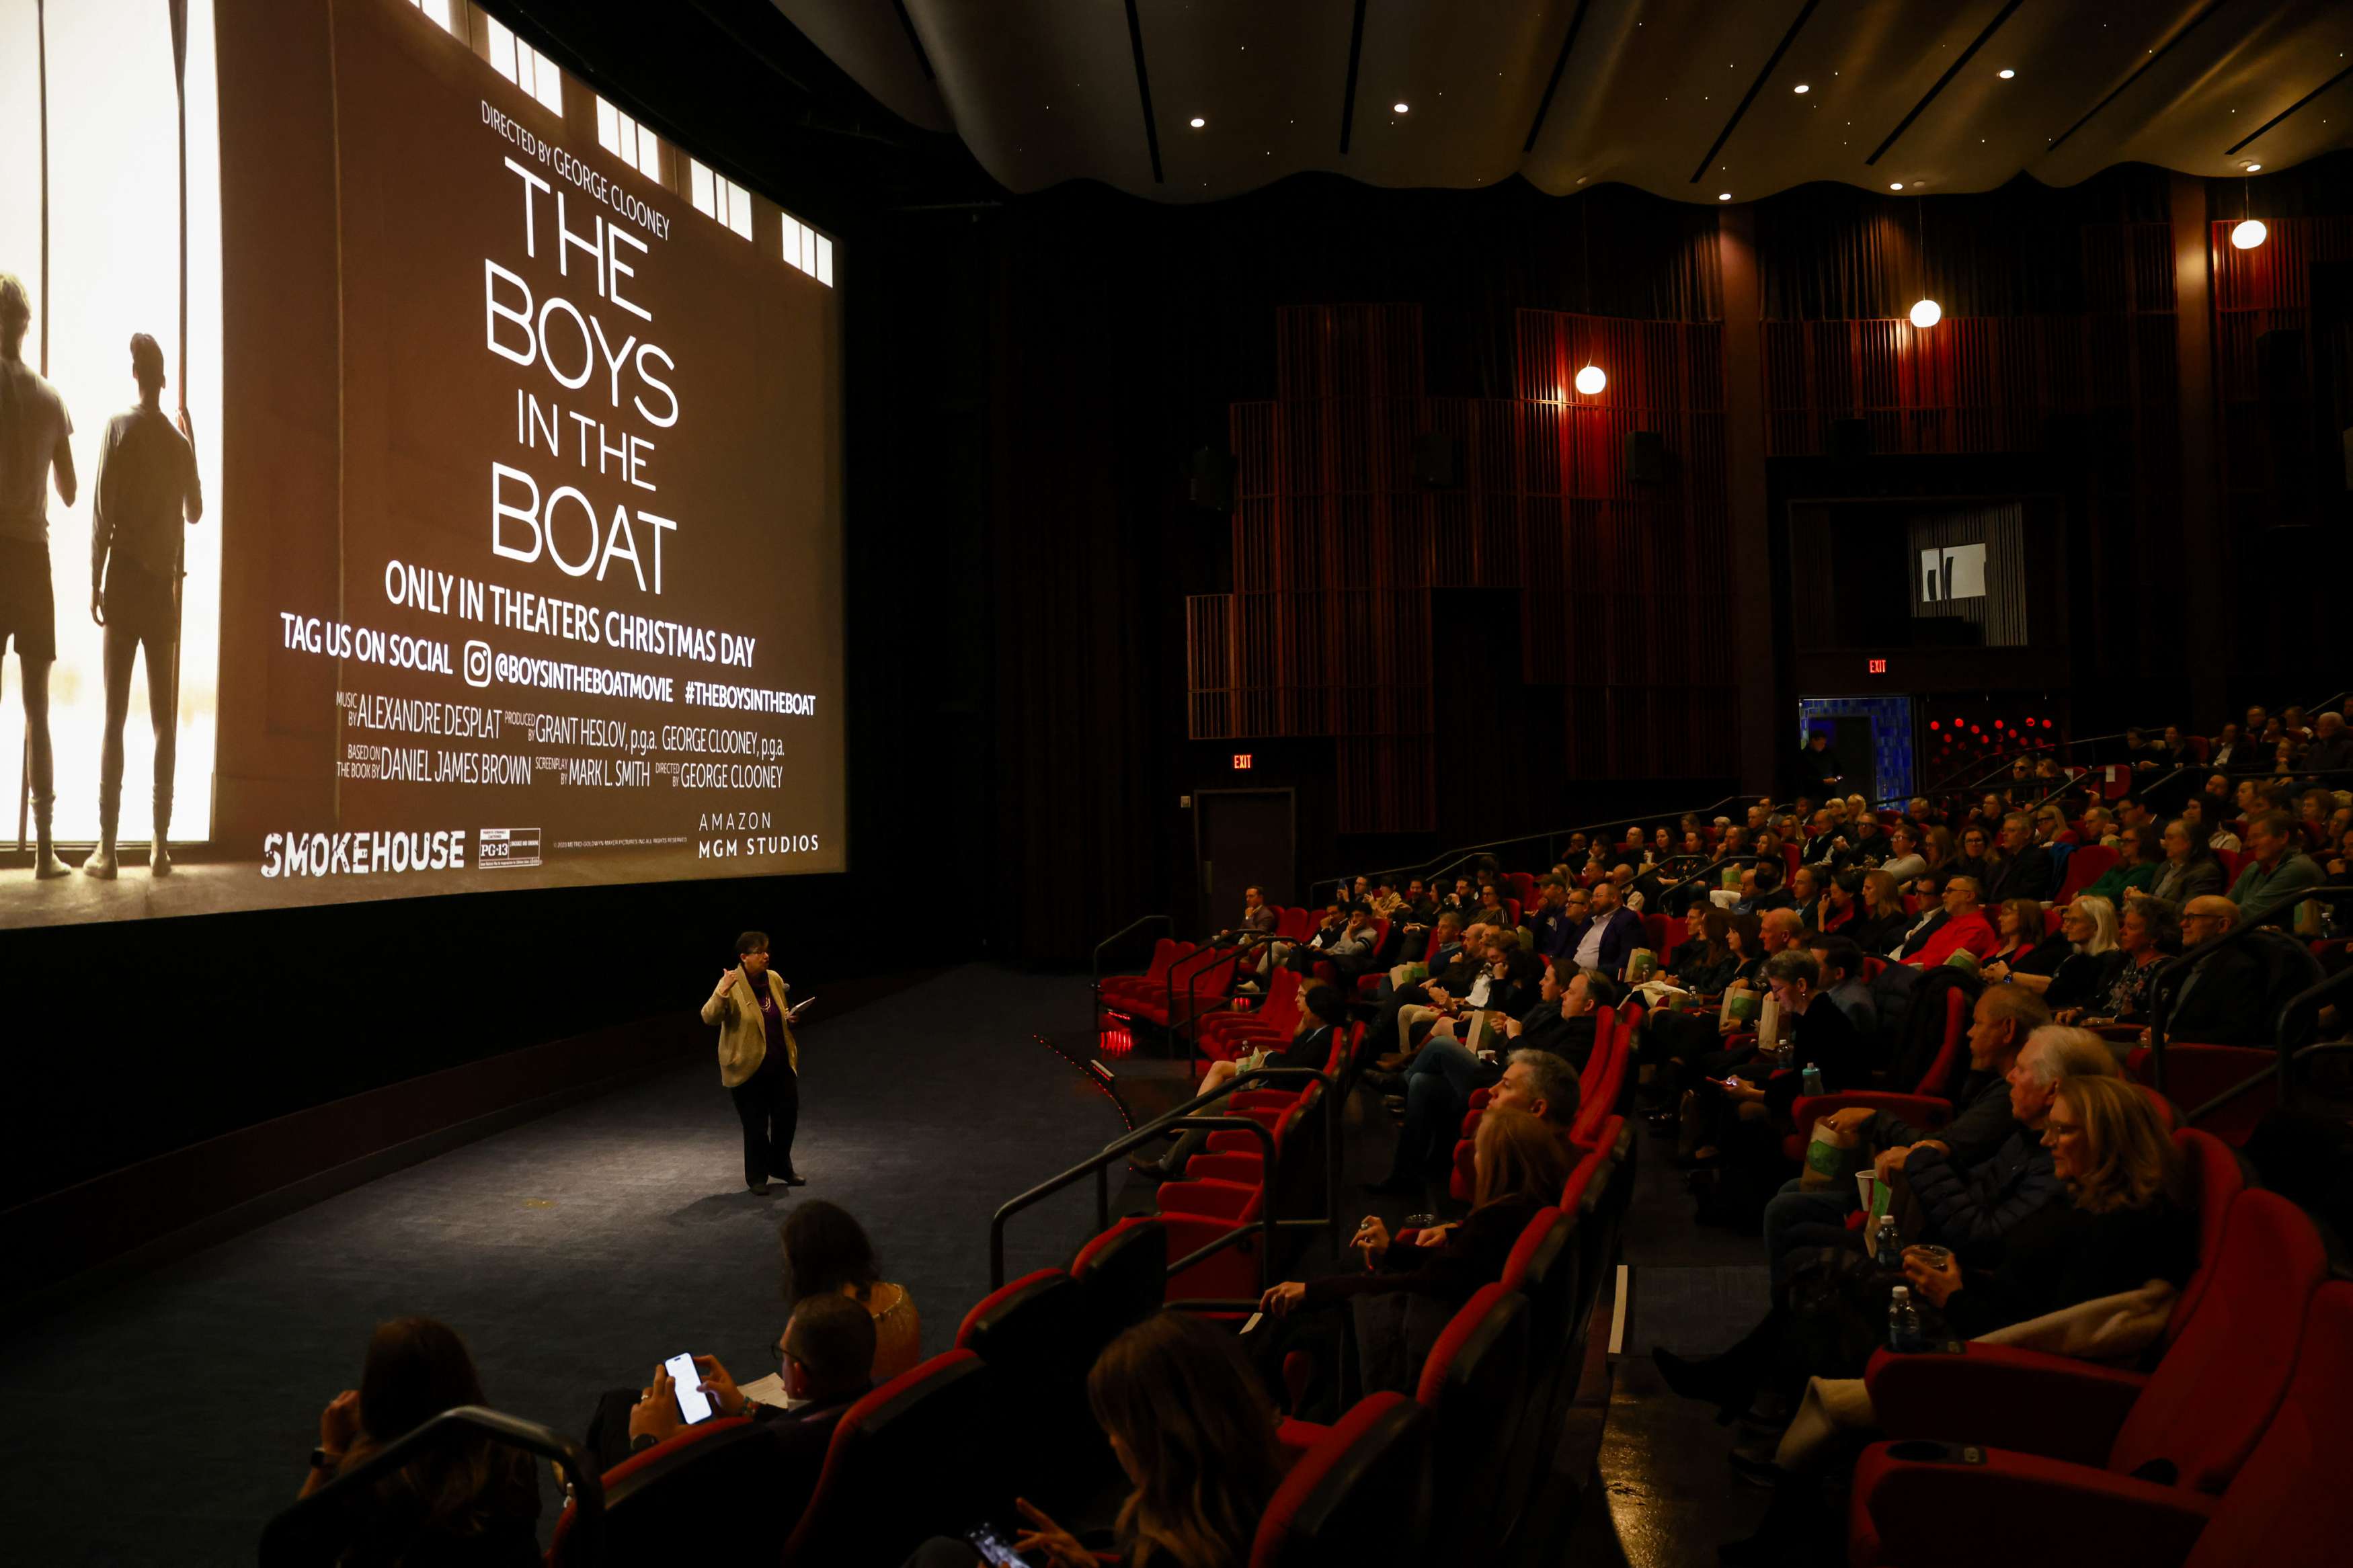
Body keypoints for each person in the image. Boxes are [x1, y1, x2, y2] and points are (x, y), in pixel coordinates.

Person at [955, 1312, 1285, 1568]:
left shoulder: (1170, 1553)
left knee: (939, 1553)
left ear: (1159, 1440)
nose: (1113, 1443)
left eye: (1117, 1428)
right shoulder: (1254, 1493)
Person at [1901, 1074, 2192, 1337]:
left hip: (1980, 1359)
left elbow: (2040, 1337)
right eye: (2050, 1127)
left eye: (2063, 1130)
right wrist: (1958, 1278)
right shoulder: (2083, 1195)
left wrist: (1953, 1299)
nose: (2047, 1140)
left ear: (2109, 1140)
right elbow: (2020, 1286)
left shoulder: (2119, 1228)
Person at [82, 333, 203, 878]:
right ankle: (159, 844)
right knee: (163, 722)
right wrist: (192, 441)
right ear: (162, 376)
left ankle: (106, 850)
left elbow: (102, 514)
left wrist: (93, 580)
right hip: (162, 591)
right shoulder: (177, 446)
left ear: (136, 373)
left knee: (113, 718)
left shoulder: (118, 429)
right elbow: (196, 513)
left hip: (125, 580)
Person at [1263, 1106, 1568, 1318]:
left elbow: (1416, 1283)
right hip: (1442, 1305)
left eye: (1478, 1152)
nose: (1474, 1160)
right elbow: (1449, 1268)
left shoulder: (1494, 1224)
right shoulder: (1525, 1208)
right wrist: (1393, 1251)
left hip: (1424, 1329)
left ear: (1498, 1166)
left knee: (1304, 1329)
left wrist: (1313, 1290)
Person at [598, 1292, 875, 1516]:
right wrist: (745, 1407)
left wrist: (647, 1442)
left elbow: (663, 1507)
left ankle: (579, 1485)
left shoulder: (768, 1451)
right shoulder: (871, 1408)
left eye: (784, 1353)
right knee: (622, 1402)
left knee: (617, 1406)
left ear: (799, 1375)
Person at [298, 1317, 539, 1567]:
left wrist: (332, 1451)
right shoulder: (515, 1457)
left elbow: (290, 1551)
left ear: (376, 1389)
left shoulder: (366, 1476)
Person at [0, 272, 77, 878]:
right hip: (34, 556)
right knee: (38, 708)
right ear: (27, 324)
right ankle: (46, 849)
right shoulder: (52, 399)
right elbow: (71, 493)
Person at [703, 931, 803, 1192]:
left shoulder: (773, 978)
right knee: (756, 1126)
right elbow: (709, 1017)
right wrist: (722, 992)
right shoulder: (731, 982)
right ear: (744, 957)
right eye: (759, 952)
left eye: (766, 951)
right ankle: (757, 1177)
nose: (765, 956)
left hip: (779, 1064)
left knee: (786, 1118)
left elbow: (775, 1013)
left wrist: (789, 1017)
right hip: (748, 1069)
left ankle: (781, 1167)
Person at [781, 1200, 922, 1383]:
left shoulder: (823, 1326)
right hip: (907, 1399)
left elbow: (806, 1392)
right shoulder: (900, 1295)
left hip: (860, 1408)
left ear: (804, 1266)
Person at [1991, 895, 2124, 1010]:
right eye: (2067, 919)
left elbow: (2053, 990)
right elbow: (2053, 984)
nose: (2067, 926)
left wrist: (2007, 978)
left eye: (2075, 921)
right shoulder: (2077, 957)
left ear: (2096, 927)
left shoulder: (2108, 961)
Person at [2062, 898, 2176, 1028]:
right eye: (2123, 926)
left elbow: (2152, 1018)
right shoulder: (2126, 960)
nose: (2122, 932)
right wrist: (2077, 1011)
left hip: (2123, 1036)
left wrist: (2106, 1022)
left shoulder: (2166, 970)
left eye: (2131, 928)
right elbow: (2102, 999)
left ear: (2154, 936)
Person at [2227, 810, 2323, 925]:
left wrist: (2211, 916)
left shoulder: (2298, 868)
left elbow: (2252, 913)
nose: (2251, 845)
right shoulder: (2253, 868)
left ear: (2283, 837)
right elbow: (2227, 904)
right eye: (2249, 839)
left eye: (2257, 836)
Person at [1902, 875, 1997, 967]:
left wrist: (1902, 968)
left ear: (1969, 896)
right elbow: (1923, 954)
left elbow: (1943, 963)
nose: (1943, 895)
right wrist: (1900, 965)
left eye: (1950, 891)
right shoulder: (1952, 921)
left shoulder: (1977, 928)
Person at [2140, 817, 2225, 909]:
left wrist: (2147, 900)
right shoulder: (2165, 866)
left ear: (2189, 842)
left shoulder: (2205, 872)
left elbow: (2187, 912)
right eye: (2165, 838)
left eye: (2170, 838)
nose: (2165, 843)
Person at [1568, 878, 1643, 976]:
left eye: (1598, 896)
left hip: (1598, 978)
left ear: (1613, 898)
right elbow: (1573, 946)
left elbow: (1627, 958)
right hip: (1573, 972)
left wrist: (1602, 975)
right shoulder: (1590, 918)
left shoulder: (1627, 919)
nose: (1593, 901)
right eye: (1592, 897)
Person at [1983, 813, 2055, 904]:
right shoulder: (2006, 858)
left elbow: (2026, 892)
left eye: (2011, 830)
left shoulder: (2038, 858)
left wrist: (1993, 903)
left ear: (2027, 834)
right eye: (2003, 831)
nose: (2005, 834)